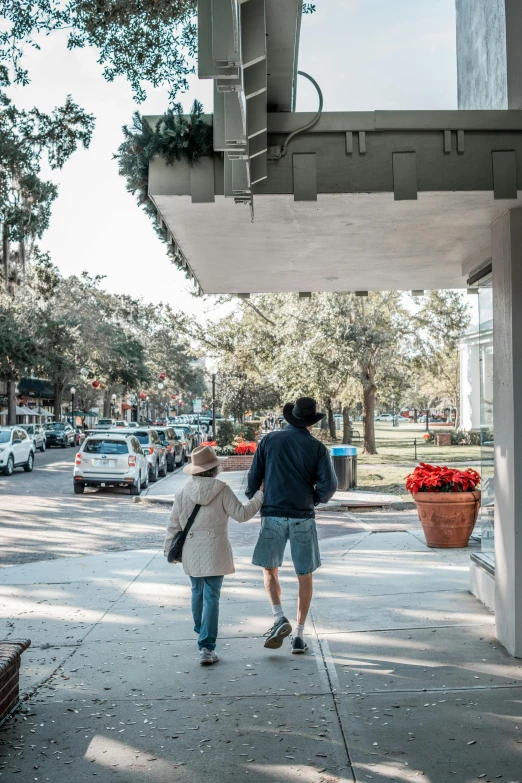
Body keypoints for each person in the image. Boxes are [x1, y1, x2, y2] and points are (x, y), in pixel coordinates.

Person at [246, 397, 337, 654]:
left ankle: (278, 617)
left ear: (291, 417)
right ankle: (298, 635)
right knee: (304, 574)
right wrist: (313, 499)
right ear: (311, 422)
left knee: (270, 569)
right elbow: (329, 486)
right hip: (303, 516)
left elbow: (253, 480)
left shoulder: (269, 441)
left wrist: (257, 501)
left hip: (273, 514)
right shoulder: (317, 447)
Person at [164, 444, 264, 665]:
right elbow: (242, 514)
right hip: (216, 550)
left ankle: (202, 633)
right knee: (212, 596)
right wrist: (260, 495)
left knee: (197, 592)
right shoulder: (222, 489)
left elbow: (173, 525)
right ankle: (207, 647)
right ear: (214, 468)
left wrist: (168, 549)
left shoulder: (182, 493)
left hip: (191, 549)